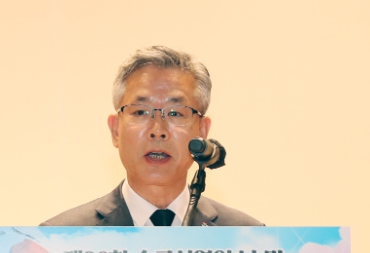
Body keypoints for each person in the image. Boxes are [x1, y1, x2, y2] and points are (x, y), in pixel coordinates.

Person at [41, 46, 262, 227]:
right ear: (116, 130)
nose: (158, 130)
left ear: (202, 132)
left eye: (175, 113)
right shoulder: (60, 240)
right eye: (140, 112)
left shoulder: (247, 239)